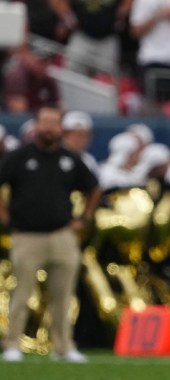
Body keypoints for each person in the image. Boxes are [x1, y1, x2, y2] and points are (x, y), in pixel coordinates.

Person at [0, 105, 101, 363]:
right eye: (44, 122)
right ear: (36, 125)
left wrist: (84, 217)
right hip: (26, 235)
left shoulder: (69, 158)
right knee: (21, 292)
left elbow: (93, 187)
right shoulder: (19, 156)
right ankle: (13, 344)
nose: (48, 128)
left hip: (61, 234)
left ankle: (64, 346)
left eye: (53, 123)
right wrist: (4, 214)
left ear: (60, 127)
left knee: (64, 295)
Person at [62, 110, 99, 176]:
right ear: (65, 135)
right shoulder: (54, 157)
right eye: (79, 135)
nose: (84, 140)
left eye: (87, 135)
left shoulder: (89, 161)